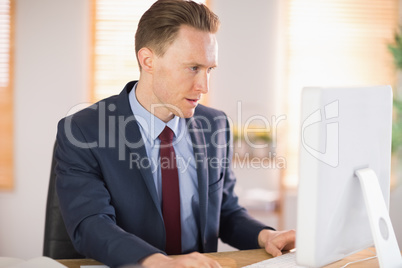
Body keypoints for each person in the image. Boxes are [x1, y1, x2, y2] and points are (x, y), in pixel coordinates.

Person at [55, 1, 295, 267]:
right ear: (148, 60)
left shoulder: (215, 125)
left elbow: (224, 212)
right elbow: (91, 224)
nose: (203, 86)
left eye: (209, 69)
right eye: (193, 68)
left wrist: (266, 236)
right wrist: (157, 262)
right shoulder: (84, 130)